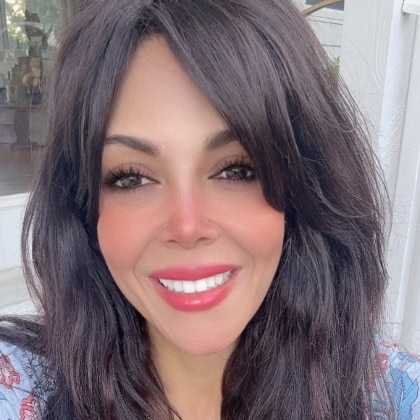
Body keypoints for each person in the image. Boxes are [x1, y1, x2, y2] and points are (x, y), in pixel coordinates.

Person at [1, 0, 419, 418]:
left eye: (236, 170)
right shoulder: (19, 391)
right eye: (131, 177)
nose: (187, 225)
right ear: (82, 208)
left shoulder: (393, 398)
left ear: (305, 188)